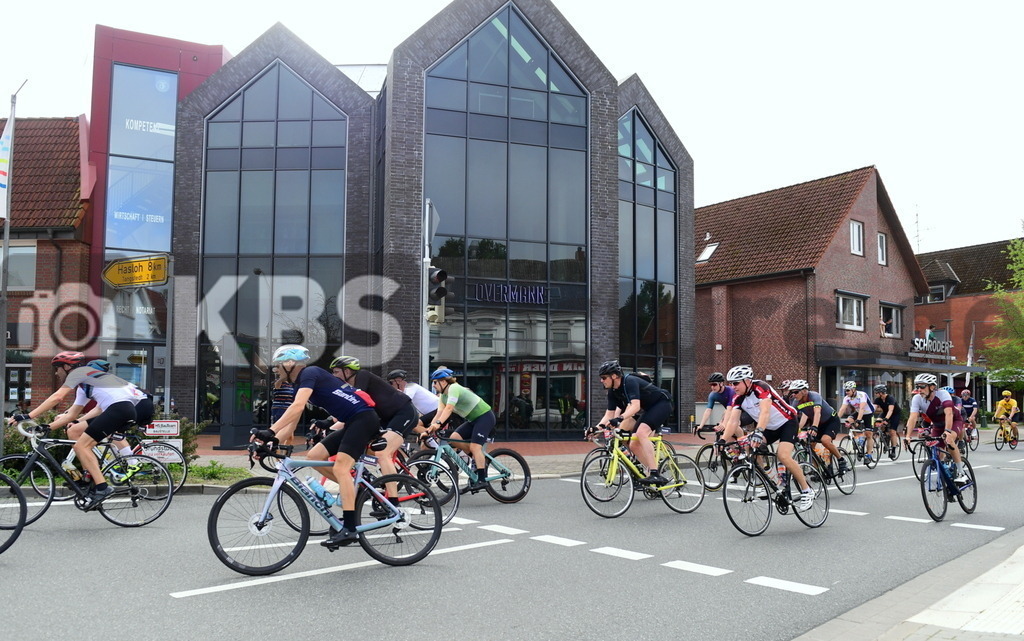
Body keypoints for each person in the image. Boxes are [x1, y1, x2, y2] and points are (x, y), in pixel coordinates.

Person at [255, 345, 380, 548]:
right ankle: (354, 490)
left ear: (289, 364)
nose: (276, 370)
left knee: (340, 467)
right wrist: (272, 440)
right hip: (352, 421)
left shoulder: (309, 373)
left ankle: (349, 528)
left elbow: (296, 407)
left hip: (364, 418)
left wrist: (270, 431)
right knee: (315, 455)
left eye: (278, 366)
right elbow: (292, 422)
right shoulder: (299, 384)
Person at [9, 352, 146, 510]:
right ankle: (93, 483)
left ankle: (102, 488)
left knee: (82, 446)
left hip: (119, 409)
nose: (56, 372)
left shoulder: (80, 373)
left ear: (67, 367)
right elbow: (72, 415)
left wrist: (27, 415)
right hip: (121, 409)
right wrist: (47, 427)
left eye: (57, 368)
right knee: (80, 440)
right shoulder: (85, 385)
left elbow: (57, 397)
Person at [721, 365, 815, 511]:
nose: (733, 386)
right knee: (749, 446)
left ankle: (807, 491)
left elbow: (765, 412)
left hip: (787, 422)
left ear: (747, 381)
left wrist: (758, 431)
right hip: (769, 428)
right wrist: (722, 441)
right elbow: (733, 421)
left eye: (735, 383)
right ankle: (772, 480)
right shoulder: (738, 397)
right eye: (731, 383)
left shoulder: (761, 387)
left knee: (783, 455)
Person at [330, 356, 419, 500]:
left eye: (336, 372)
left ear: (347, 371)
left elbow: (354, 403)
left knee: (382, 452)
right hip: (385, 418)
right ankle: (369, 481)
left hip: (403, 412)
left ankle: (393, 502)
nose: (334, 376)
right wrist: (326, 422)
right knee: (361, 445)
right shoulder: (349, 387)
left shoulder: (363, 376)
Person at [595, 359, 673, 486]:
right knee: (634, 444)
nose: (601, 381)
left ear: (614, 376)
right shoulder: (612, 392)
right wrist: (596, 428)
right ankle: (651, 472)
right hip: (649, 410)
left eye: (604, 378)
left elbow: (635, 407)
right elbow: (609, 414)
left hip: (662, 404)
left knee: (641, 433)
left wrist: (619, 418)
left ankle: (655, 474)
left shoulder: (629, 381)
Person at [424, 367, 495, 491]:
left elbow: (449, 409)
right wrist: (429, 428)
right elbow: (439, 413)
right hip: (473, 420)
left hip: (485, 416)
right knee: (454, 438)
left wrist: (439, 424)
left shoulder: (454, 388)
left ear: (444, 382)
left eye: (435, 382)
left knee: (475, 447)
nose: (433, 385)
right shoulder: (442, 396)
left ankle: (482, 480)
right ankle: (477, 459)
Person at [904, 373, 968, 483]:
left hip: (953, 421)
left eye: (922, 386)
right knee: (938, 451)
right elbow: (913, 417)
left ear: (932, 387)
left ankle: (961, 473)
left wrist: (947, 431)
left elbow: (949, 413)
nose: (919, 389)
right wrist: (908, 436)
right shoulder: (917, 399)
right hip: (938, 425)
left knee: (949, 440)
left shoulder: (943, 394)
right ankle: (944, 472)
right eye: (917, 387)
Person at [787, 379, 847, 474]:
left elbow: (817, 412)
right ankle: (818, 469)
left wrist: (814, 427)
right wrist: (794, 430)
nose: (793, 394)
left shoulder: (814, 396)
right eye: (792, 392)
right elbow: (792, 418)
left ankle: (841, 460)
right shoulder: (796, 402)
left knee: (825, 440)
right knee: (809, 445)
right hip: (818, 423)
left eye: (795, 392)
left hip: (831, 421)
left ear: (804, 391)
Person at [838, 381, 877, 464]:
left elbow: (862, 408)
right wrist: (836, 419)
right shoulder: (847, 398)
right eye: (845, 390)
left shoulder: (862, 395)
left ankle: (869, 454)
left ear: (853, 389)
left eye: (848, 390)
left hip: (868, 413)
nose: (846, 392)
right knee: (849, 421)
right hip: (858, 412)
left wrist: (858, 420)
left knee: (868, 434)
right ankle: (858, 439)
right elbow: (842, 409)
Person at [694, 372, 735, 437]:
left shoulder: (731, 391)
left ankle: (743, 445)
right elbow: (708, 410)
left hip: (741, 411)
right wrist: (701, 425)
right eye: (711, 385)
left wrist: (724, 424)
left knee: (732, 424)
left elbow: (729, 409)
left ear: (721, 383)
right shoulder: (713, 395)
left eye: (714, 384)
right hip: (729, 412)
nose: (712, 387)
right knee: (722, 428)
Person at [873, 384, 902, 460]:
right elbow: (873, 409)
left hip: (895, 414)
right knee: (878, 422)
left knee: (892, 432)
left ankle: (893, 450)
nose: (875, 394)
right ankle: (885, 437)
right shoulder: (877, 399)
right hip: (885, 413)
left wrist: (886, 419)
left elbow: (891, 410)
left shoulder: (890, 398)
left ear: (881, 393)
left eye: (876, 393)